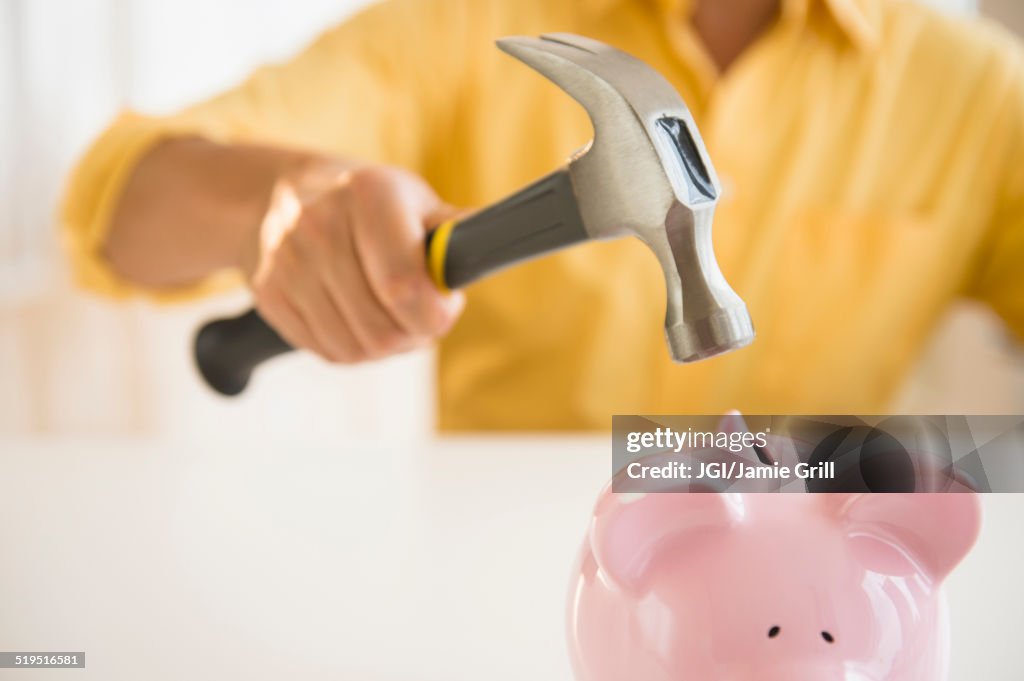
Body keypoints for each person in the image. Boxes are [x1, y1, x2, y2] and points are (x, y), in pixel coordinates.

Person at [62, 0, 1024, 430]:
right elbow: (116, 203)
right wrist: (273, 204)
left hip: (817, 606)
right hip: (507, 583)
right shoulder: (458, 21)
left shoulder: (978, 93)